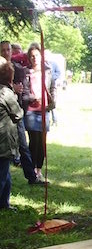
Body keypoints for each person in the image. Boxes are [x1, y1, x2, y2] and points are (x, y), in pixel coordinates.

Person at [0, 41, 43, 186]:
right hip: (2, 114)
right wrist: (12, 89)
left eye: (8, 50)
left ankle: (31, 176)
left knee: (23, 146)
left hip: (15, 111)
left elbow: (24, 92)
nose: (6, 53)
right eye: (3, 50)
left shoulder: (18, 69)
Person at [22, 44, 56, 183]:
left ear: (41, 56)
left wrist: (53, 101)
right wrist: (33, 97)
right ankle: (32, 172)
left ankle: (39, 170)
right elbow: (24, 92)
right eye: (32, 56)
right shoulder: (26, 72)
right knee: (33, 141)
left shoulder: (47, 71)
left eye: (36, 55)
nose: (34, 58)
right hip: (31, 110)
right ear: (29, 58)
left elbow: (52, 87)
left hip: (44, 109)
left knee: (42, 141)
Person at [0, 59, 24, 210]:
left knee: (5, 173)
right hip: (3, 141)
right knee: (2, 175)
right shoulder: (6, 93)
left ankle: (4, 203)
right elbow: (18, 114)